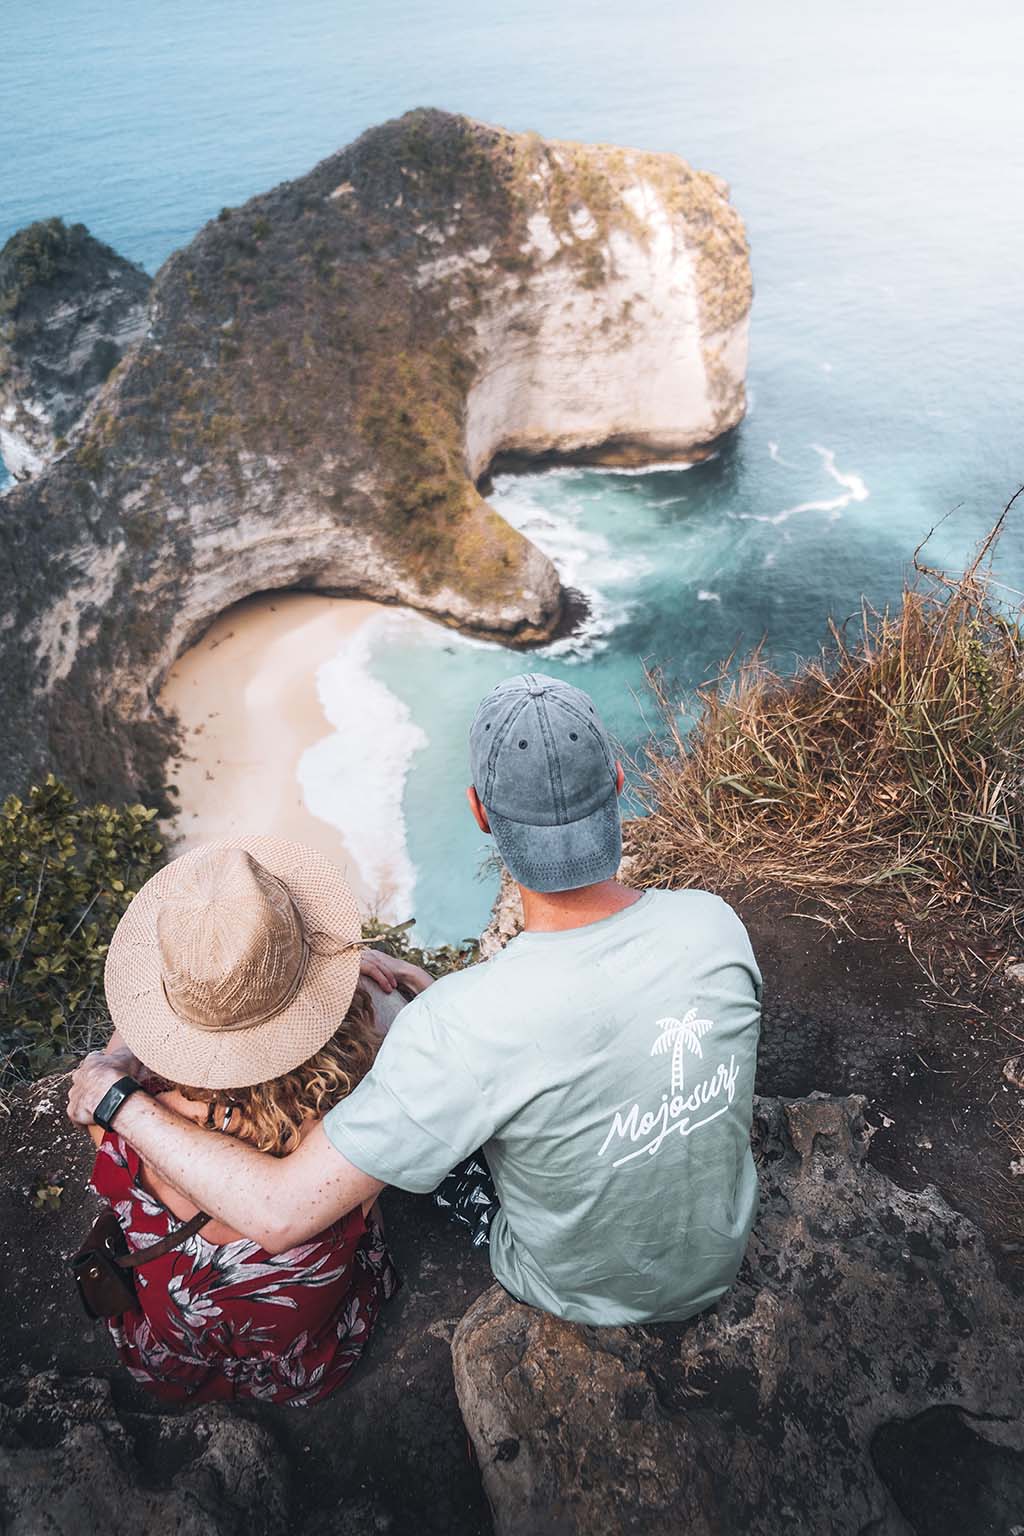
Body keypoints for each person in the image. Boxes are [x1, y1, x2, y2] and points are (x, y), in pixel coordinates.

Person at [69, 675, 762, 1327]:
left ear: (480, 812)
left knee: (427, 1100)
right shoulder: (715, 925)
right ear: (617, 782)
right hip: (716, 1263)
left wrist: (111, 1096)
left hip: (576, 1290)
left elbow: (278, 1212)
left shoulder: (459, 1025)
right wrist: (433, 996)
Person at [77, 834, 429, 1405]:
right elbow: (439, 1058)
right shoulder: (356, 1111)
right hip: (307, 1355)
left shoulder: (120, 1111)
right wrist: (373, 975)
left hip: (173, 1351)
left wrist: (118, 1059)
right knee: (386, 1005)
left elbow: (131, 1037)